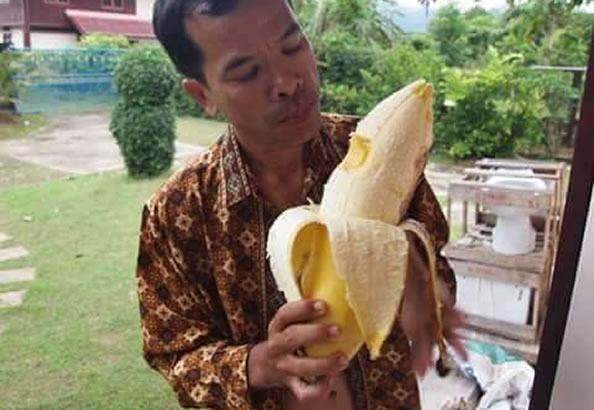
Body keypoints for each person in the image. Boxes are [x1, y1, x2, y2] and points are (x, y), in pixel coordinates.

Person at [136, 0, 465, 408]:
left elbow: (438, 266)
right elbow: (174, 353)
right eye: (247, 72)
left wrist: (422, 280)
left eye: (293, 46)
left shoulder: (376, 150)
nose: (289, 83)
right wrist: (261, 364)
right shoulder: (177, 213)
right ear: (203, 94)